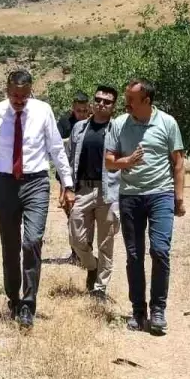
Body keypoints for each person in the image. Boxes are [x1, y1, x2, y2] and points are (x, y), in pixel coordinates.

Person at [0, 70, 74, 329]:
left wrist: (67, 184)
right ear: (7, 91)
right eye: (15, 96)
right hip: (5, 184)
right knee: (10, 245)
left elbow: (56, 149)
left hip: (36, 182)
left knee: (32, 241)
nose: (19, 101)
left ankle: (28, 303)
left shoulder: (42, 111)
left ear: (31, 92)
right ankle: (13, 297)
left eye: (24, 97)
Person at [105, 78, 185, 335]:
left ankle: (158, 310)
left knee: (160, 250)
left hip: (161, 195)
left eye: (131, 99)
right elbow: (109, 162)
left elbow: (178, 162)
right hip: (130, 196)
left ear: (147, 101)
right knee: (135, 255)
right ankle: (138, 311)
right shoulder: (118, 125)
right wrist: (126, 161)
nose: (126, 104)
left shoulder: (167, 123)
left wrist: (179, 199)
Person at [67, 85, 121, 300]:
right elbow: (69, 160)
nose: (101, 104)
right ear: (92, 102)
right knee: (75, 237)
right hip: (83, 189)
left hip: (108, 190)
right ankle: (92, 265)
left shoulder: (117, 129)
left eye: (107, 102)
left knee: (106, 242)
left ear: (113, 107)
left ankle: (100, 287)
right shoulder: (79, 128)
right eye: (98, 99)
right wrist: (66, 189)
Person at [58, 92, 92, 265]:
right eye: (79, 110)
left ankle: (86, 253)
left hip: (87, 175)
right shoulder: (64, 123)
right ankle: (76, 252)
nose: (82, 114)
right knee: (71, 215)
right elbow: (57, 145)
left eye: (85, 110)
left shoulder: (93, 122)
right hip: (67, 175)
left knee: (85, 216)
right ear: (73, 108)